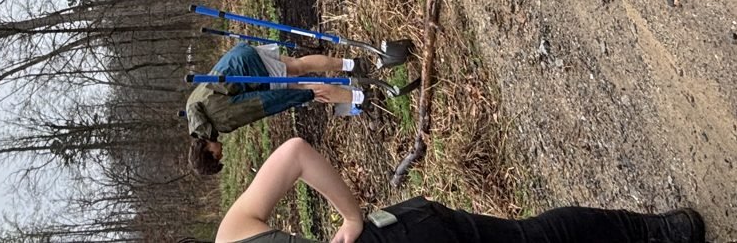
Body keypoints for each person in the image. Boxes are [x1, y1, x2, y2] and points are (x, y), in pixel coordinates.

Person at [204, 136, 707, 243]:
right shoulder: (231, 232)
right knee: (533, 239)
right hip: (403, 231)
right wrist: (354, 218)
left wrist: (351, 218)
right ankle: (660, 231)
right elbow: (294, 153)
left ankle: (657, 233)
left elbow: (295, 152)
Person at [186, 44, 371, 175]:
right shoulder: (192, 110)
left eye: (217, 157)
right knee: (298, 66)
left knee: (307, 89)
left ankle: (362, 98)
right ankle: (354, 64)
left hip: (255, 73)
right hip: (241, 56)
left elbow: (259, 104)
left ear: (208, 151)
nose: (222, 154)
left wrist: (300, 97)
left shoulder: (219, 120)